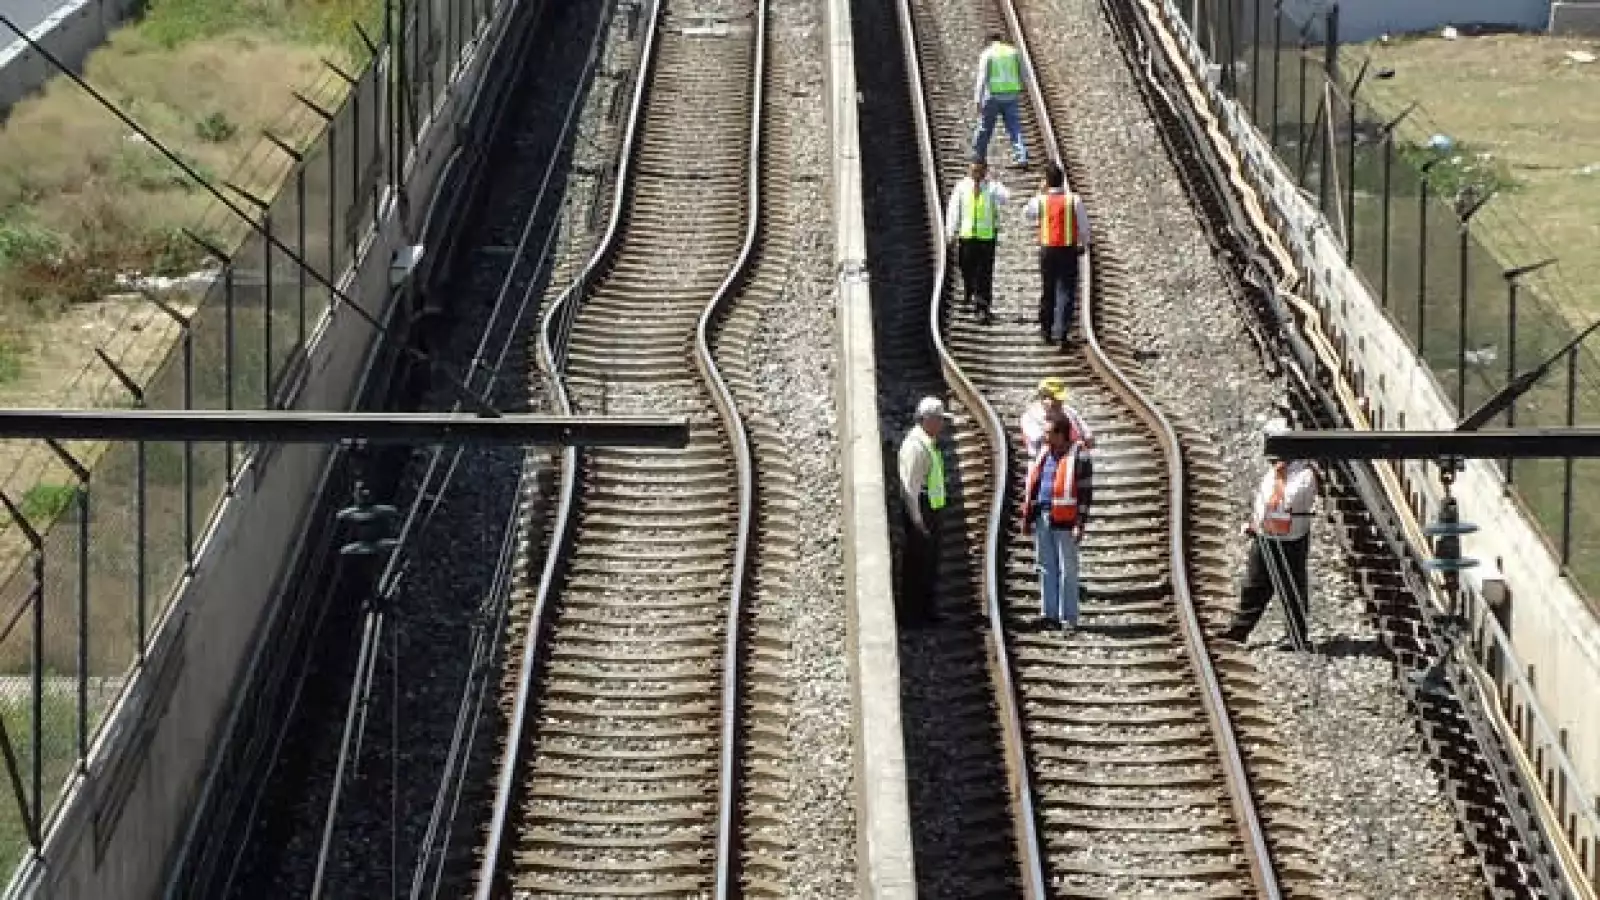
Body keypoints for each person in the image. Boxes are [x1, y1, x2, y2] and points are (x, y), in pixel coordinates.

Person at [1219, 418, 1318, 647]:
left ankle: (1296, 637)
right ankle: (1239, 630)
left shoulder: (1304, 474)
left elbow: (1290, 501)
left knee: (1291, 589)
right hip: (1265, 536)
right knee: (1254, 585)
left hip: (1290, 540)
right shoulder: (1275, 471)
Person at [1021, 413, 1093, 630]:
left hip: (1066, 520)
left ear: (1061, 434)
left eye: (1049, 432)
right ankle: (1049, 614)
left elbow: (1085, 492)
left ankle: (1068, 617)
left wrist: (1080, 523)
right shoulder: (1044, 453)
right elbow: (1034, 484)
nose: (1045, 436)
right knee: (1045, 566)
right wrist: (1028, 516)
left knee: (1068, 569)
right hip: (1043, 516)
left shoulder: (1079, 456)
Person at [1022, 163, 1091, 345]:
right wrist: (1084, 244)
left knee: (1048, 289)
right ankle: (1061, 332)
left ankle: (1046, 330)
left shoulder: (1042, 200)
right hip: (1068, 250)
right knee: (1066, 291)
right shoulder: (1073, 200)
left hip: (1047, 251)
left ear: (1047, 182)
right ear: (1062, 181)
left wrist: (1039, 192)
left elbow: (1027, 213)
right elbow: (1084, 227)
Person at [897, 396, 951, 625]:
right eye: (939, 419)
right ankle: (914, 615)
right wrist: (917, 520)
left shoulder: (927, 442)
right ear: (927, 420)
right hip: (923, 512)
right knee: (918, 564)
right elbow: (910, 486)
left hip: (932, 510)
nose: (942, 424)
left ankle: (926, 612)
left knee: (929, 564)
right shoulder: (916, 446)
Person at [944, 158, 1010, 324]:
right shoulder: (962, 187)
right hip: (967, 236)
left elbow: (1006, 197)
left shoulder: (991, 187)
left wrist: (993, 183)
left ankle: (982, 307)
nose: (976, 175)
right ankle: (969, 291)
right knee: (966, 268)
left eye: (979, 171)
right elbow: (954, 210)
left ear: (985, 171)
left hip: (986, 238)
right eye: (973, 171)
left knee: (984, 274)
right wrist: (950, 232)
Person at [971, 31, 1028, 166]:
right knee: (1014, 127)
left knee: (985, 127)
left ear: (988, 42)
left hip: (993, 96)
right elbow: (1024, 74)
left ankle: (978, 156)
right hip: (1011, 96)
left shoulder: (987, 54)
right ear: (1001, 40)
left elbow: (982, 78)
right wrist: (1019, 88)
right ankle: (1021, 157)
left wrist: (977, 100)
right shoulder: (1013, 52)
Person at [1019, 377, 1095, 458]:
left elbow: (1088, 436)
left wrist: (1085, 441)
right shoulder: (1030, 417)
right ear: (1044, 399)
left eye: (1060, 400)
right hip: (1047, 459)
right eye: (1056, 399)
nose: (1060, 402)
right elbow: (1044, 439)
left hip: (1074, 457)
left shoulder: (1069, 411)